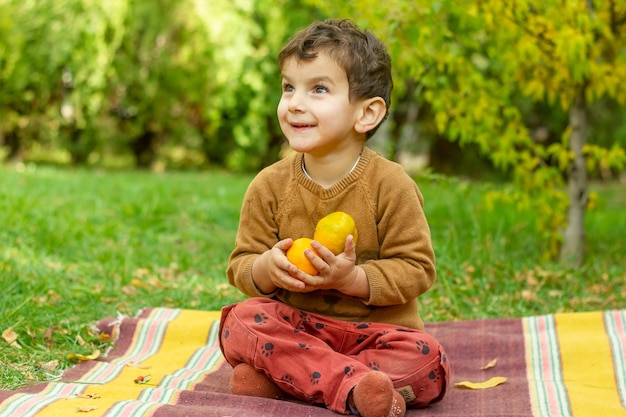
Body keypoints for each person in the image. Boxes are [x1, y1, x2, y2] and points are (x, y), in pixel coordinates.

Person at [219, 18, 449, 417]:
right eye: (289, 87)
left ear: (367, 114)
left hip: (376, 338)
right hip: (297, 328)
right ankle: (354, 389)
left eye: (318, 89)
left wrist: (353, 279)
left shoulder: (391, 185)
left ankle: (289, 380)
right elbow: (241, 265)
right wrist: (266, 269)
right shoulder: (268, 186)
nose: (294, 103)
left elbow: (417, 270)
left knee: (427, 362)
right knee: (240, 321)